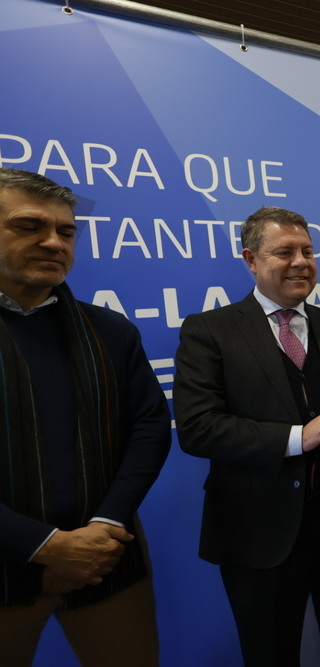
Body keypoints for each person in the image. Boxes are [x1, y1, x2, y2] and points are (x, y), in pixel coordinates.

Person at [173, 206, 320, 667]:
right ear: (251, 260)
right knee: (271, 654)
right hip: (258, 530)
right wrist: (296, 437)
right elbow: (197, 427)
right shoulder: (209, 331)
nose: (301, 262)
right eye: (284, 251)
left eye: (308, 251)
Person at [0, 168, 171, 666]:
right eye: (29, 226)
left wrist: (104, 526)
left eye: (66, 231)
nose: (53, 242)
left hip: (108, 565)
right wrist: (44, 545)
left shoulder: (109, 331)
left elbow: (149, 428)